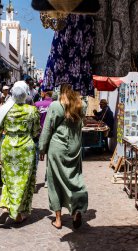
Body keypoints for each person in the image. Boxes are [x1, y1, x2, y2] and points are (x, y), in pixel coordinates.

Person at [0, 81, 40, 224]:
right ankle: (17, 213)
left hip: (8, 146)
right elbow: (35, 131)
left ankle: (6, 206)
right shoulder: (32, 110)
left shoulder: (5, 109)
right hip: (26, 147)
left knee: (8, 178)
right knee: (23, 180)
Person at [39, 83, 88, 230]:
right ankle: (76, 210)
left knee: (54, 181)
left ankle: (58, 219)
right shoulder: (82, 105)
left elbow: (48, 129)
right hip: (75, 146)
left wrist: (42, 148)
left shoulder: (55, 106)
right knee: (75, 178)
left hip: (57, 147)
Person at [34, 87, 53, 188]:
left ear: (44, 93)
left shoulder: (37, 104)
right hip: (51, 135)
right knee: (49, 159)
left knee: (35, 158)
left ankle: (33, 179)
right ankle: (47, 180)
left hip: (38, 134)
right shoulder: (54, 105)